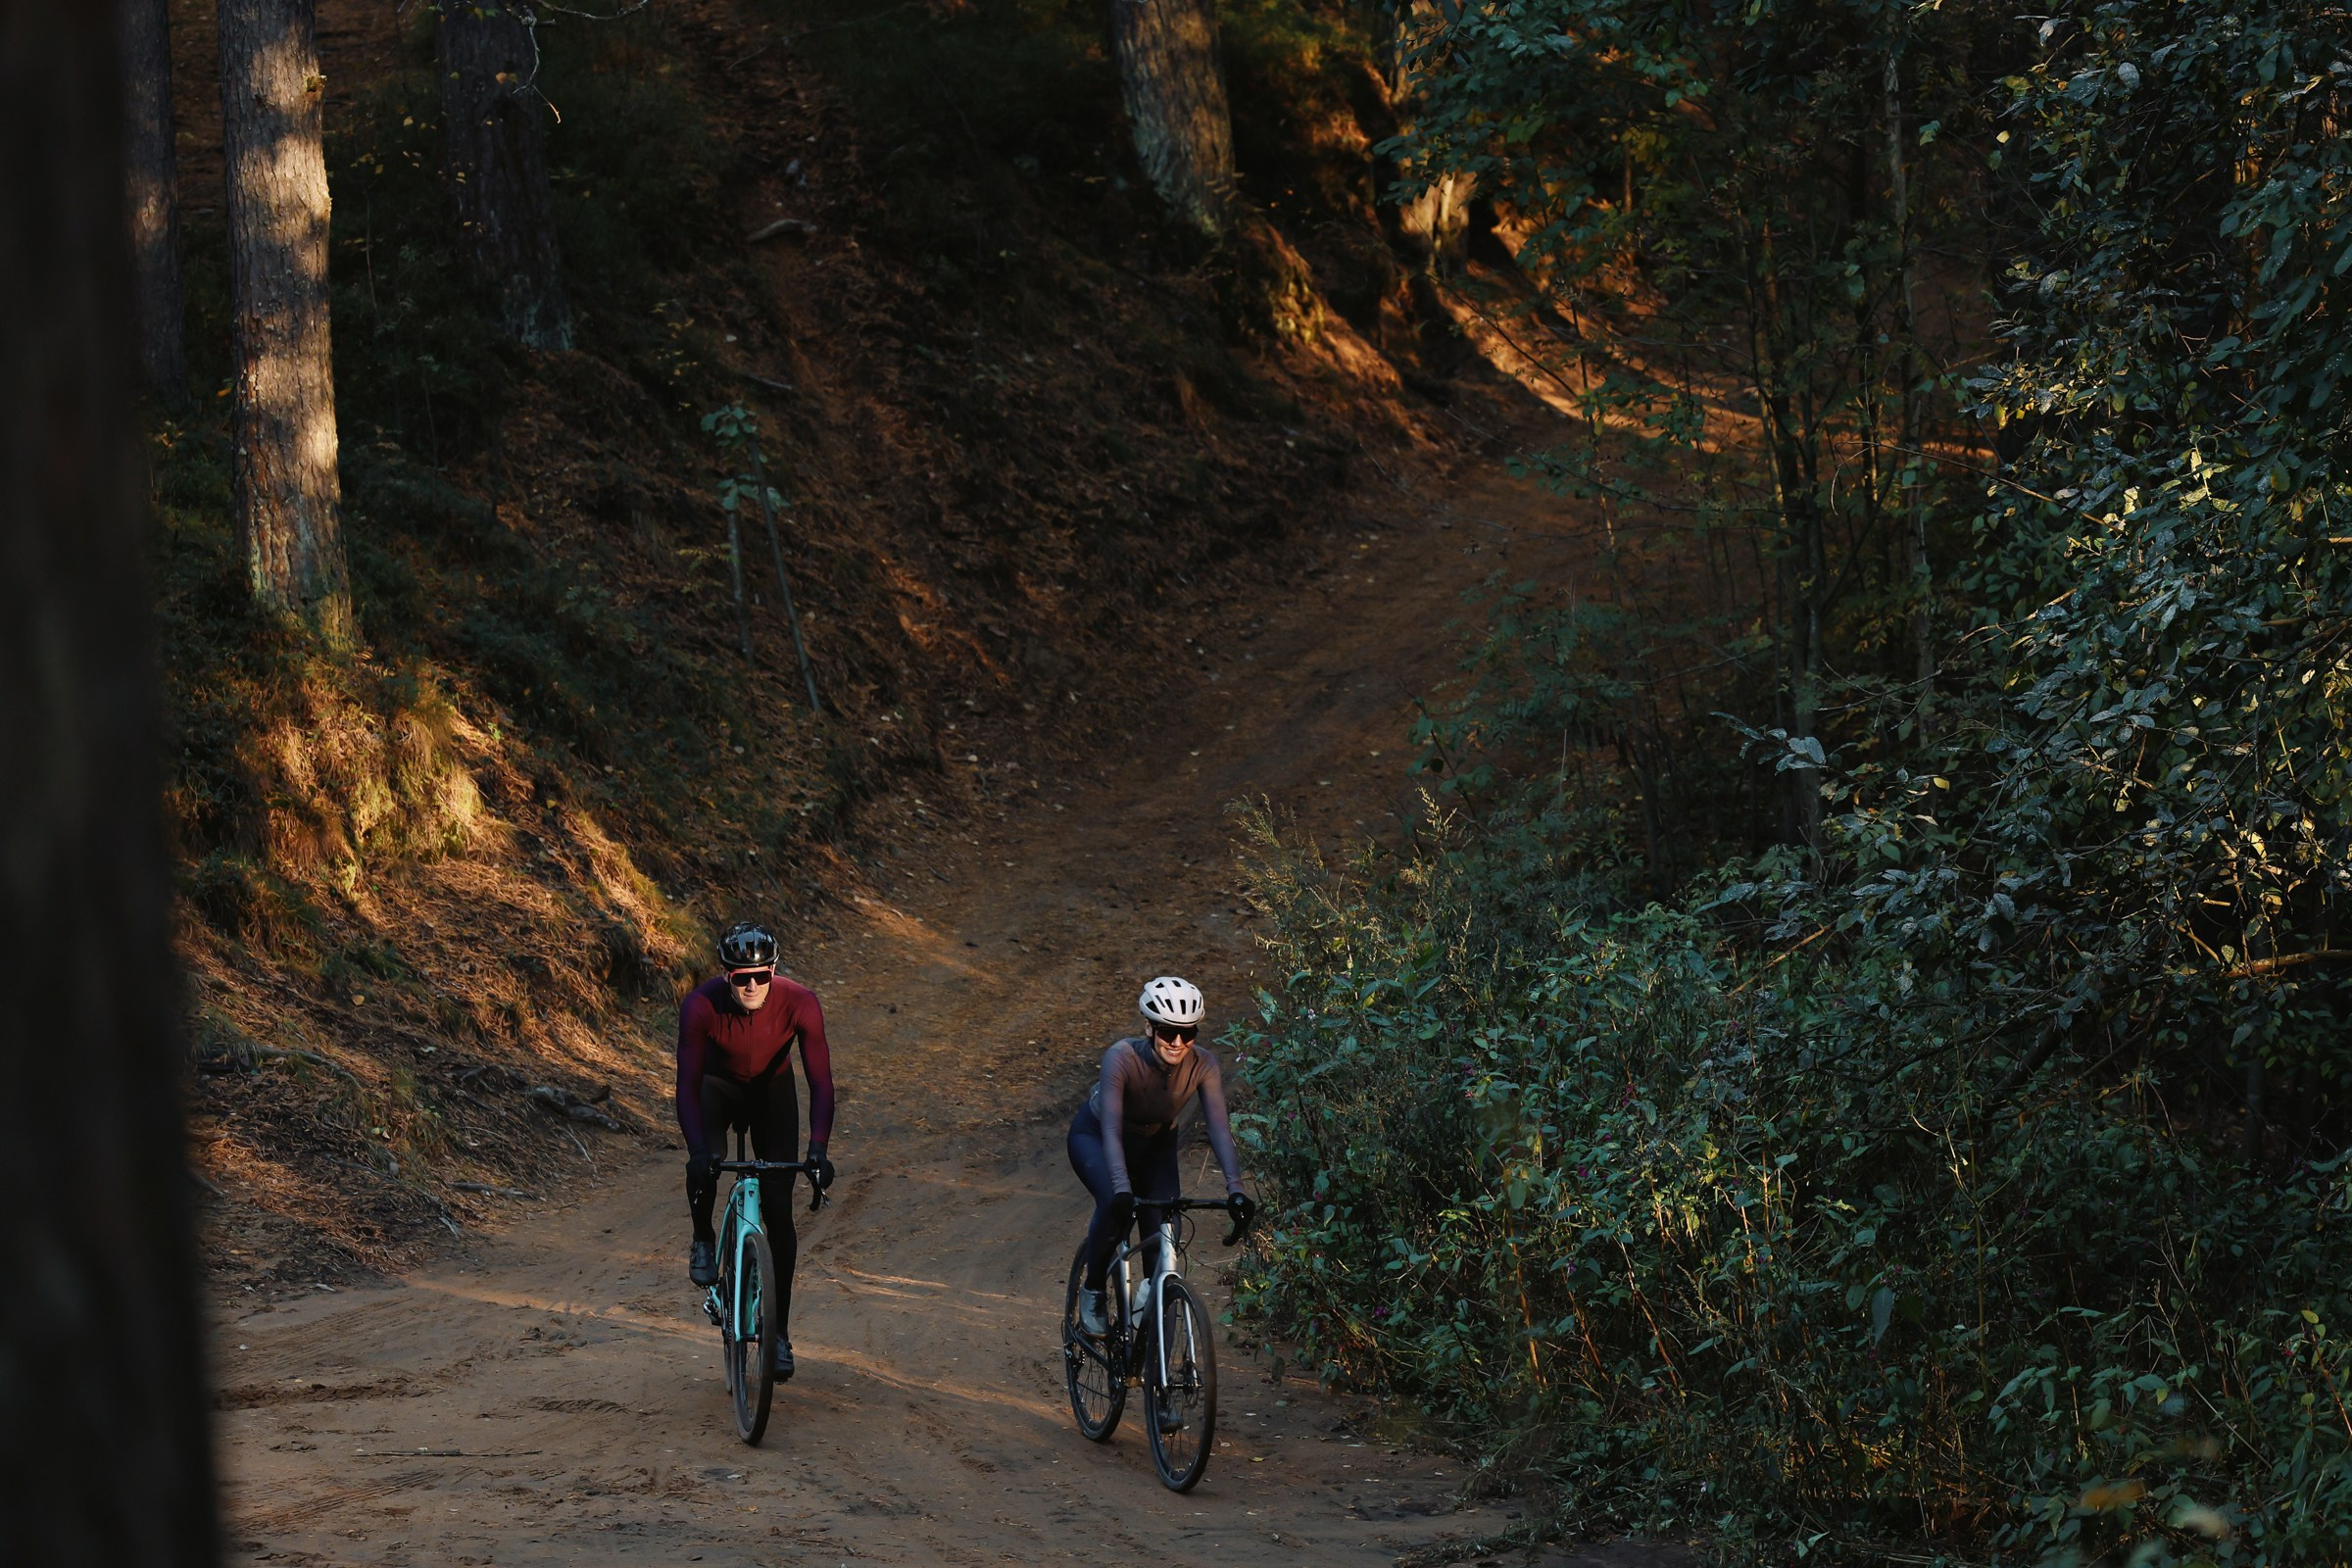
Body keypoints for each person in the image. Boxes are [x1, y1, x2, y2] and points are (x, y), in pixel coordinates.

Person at [676, 920, 837, 1381]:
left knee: (778, 1211)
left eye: (760, 976)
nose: (750, 986)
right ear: (725, 976)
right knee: (705, 1163)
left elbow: (821, 1083)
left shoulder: (800, 1002)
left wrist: (819, 1150)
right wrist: (696, 1150)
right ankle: (703, 1237)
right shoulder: (700, 1006)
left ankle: (780, 1334)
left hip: (772, 1091)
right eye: (739, 978)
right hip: (716, 1087)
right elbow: (686, 1087)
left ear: (774, 970)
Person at [1068, 975, 1254, 1339]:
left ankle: (1151, 1320)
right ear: (1149, 1028)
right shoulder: (1121, 1058)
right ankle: (1092, 1290)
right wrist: (1122, 1189)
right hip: (1097, 1137)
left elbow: (1219, 1128)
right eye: (1169, 1032)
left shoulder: (1204, 1064)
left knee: (1166, 1232)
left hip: (1155, 1146)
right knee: (1113, 1205)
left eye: (1189, 1034)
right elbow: (1110, 1130)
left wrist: (1236, 1188)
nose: (1179, 1043)